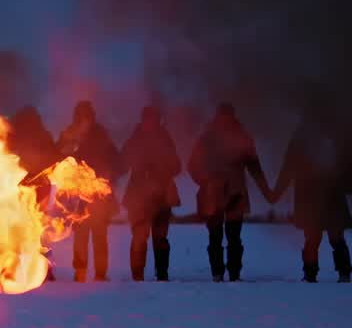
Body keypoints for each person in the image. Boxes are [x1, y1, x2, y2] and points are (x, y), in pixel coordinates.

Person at [187, 102, 270, 282]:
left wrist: (267, 191)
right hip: (213, 193)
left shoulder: (242, 137)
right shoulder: (207, 138)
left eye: (228, 116)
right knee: (215, 236)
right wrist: (205, 181)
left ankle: (234, 273)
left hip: (236, 192)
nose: (225, 120)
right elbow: (192, 165)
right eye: (223, 116)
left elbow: (254, 167)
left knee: (234, 236)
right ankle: (217, 272)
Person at [268, 104, 351, 283]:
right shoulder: (335, 137)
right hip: (329, 193)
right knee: (334, 236)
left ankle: (311, 273)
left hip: (312, 194)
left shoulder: (302, 138)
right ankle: (342, 272)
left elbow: (288, 168)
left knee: (314, 237)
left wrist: (276, 193)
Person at [57, 100, 120, 282]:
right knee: (81, 235)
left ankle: (100, 274)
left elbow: (117, 161)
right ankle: (81, 272)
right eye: (81, 116)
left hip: (98, 194)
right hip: (77, 195)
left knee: (99, 234)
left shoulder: (101, 136)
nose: (84, 120)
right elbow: (56, 156)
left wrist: (106, 178)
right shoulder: (69, 135)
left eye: (86, 116)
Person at [119, 105, 181, 281]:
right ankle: (137, 276)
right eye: (148, 119)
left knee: (160, 238)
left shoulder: (165, 139)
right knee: (139, 237)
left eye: (154, 119)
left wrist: (162, 170)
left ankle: (162, 274)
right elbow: (122, 163)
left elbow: (177, 166)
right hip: (138, 197)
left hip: (162, 197)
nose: (151, 123)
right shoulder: (135, 139)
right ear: (143, 120)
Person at [4, 106, 62, 281]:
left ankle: (27, 270)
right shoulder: (42, 135)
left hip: (26, 190)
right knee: (35, 231)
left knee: (24, 231)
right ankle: (38, 270)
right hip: (35, 189)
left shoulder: (19, 136)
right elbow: (54, 159)